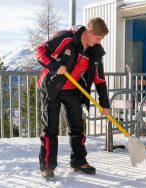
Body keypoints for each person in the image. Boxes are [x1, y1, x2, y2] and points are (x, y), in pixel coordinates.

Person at [36, 17, 110, 180]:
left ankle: (78, 161)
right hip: (52, 87)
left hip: (73, 90)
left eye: (101, 39)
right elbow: (40, 51)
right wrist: (55, 66)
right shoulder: (66, 38)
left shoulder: (95, 52)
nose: (99, 42)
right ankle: (47, 166)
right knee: (50, 128)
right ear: (89, 32)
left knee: (77, 127)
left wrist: (105, 103)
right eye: (98, 38)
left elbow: (100, 78)